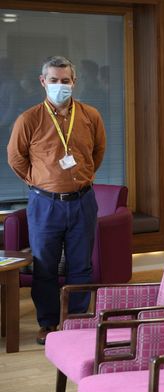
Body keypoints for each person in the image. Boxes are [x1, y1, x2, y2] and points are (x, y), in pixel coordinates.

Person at [7, 56, 106, 344]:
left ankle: (75, 320)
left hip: (83, 201)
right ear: (43, 81)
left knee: (81, 266)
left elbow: (97, 152)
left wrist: (80, 176)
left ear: (73, 82)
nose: (60, 86)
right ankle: (48, 323)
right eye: (54, 80)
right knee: (46, 266)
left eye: (65, 81)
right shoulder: (29, 119)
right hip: (44, 204)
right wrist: (40, 181)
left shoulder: (90, 116)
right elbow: (16, 159)